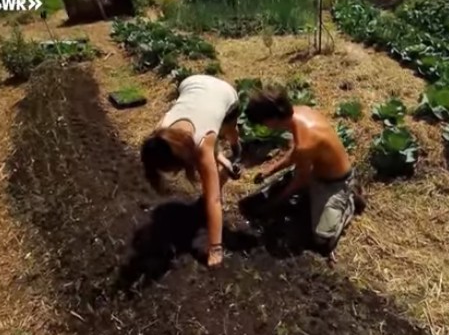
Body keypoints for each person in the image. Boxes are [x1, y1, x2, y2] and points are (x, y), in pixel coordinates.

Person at [245, 84, 363, 263]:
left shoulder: (305, 142)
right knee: (263, 197)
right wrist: (271, 170)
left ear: (273, 119)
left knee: (322, 238)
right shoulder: (300, 113)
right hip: (315, 171)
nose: (264, 126)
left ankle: (349, 200)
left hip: (334, 183)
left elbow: (301, 179)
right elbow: (297, 154)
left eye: (263, 122)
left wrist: (275, 203)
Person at [140, 74, 242, 268]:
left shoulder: (202, 145)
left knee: (228, 129)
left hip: (224, 93)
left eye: (174, 169)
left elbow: (214, 199)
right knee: (211, 138)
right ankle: (228, 157)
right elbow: (207, 141)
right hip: (192, 84)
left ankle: (237, 147)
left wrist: (215, 248)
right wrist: (220, 159)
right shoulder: (161, 133)